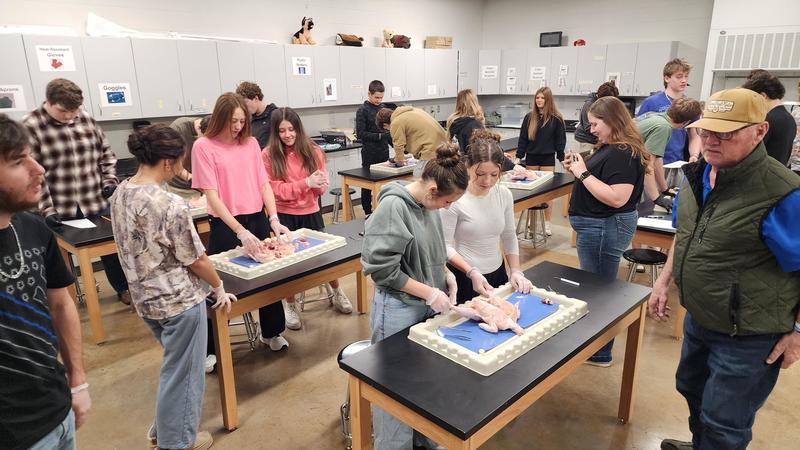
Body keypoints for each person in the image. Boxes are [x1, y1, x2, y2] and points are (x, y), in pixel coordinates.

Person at [648, 88, 800, 450]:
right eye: (705, 131)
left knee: (725, 421)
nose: (712, 141)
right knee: (692, 391)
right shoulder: (697, 176)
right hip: (701, 317)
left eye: (726, 133)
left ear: (759, 132)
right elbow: (684, 235)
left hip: (749, 334)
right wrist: (663, 281)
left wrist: (797, 330)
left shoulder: (782, 193)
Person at [111, 124, 237, 450]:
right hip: (178, 303)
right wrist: (218, 285)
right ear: (168, 162)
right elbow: (195, 259)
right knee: (184, 375)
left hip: (144, 299)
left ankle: (162, 431)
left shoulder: (121, 192)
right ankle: (177, 441)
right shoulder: (169, 204)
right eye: (180, 162)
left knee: (174, 368)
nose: (181, 169)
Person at [361, 143, 468, 449]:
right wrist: (429, 292)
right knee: (393, 385)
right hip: (397, 307)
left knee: (424, 379)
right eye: (447, 201)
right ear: (432, 188)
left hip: (423, 304)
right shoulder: (393, 208)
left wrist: (445, 274)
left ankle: (424, 437)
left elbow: (431, 248)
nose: (447, 207)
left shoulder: (429, 206)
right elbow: (382, 270)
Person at [0, 114, 91, 449]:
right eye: (18, 161)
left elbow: (60, 303)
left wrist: (77, 380)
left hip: (57, 410)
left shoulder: (34, 228)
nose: (39, 169)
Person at [192, 93, 290, 371]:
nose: (237, 126)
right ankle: (210, 347)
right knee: (219, 283)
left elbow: (264, 185)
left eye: (242, 120)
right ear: (220, 117)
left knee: (267, 276)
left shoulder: (249, 144)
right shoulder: (203, 147)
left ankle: (272, 331)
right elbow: (211, 195)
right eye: (233, 120)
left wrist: (273, 218)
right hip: (225, 223)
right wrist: (239, 230)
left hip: (257, 217)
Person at [23, 78, 131, 305]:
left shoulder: (86, 119)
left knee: (112, 247)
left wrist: (109, 181)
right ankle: (65, 301)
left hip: (95, 199)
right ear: (49, 103)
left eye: (75, 110)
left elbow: (107, 155)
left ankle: (123, 289)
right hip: (58, 206)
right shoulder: (31, 125)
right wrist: (46, 208)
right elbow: (32, 173)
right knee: (58, 258)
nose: (71, 116)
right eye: (64, 111)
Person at [563, 96, 648, 367]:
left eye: (596, 124)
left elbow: (616, 198)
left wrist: (582, 174)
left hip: (604, 227)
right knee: (597, 286)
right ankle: (597, 347)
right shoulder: (613, 147)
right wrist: (579, 168)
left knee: (599, 290)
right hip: (597, 227)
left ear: (613, 121)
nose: (592, 129)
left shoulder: (622, 152)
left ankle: (600, 351)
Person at [262, 107, 352, 330]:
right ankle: (289, 304)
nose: (287, 135)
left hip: (311, 212)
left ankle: (337, 291)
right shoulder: (267, 155)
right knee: (288, 266)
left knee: (324, 258)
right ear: (275, 132)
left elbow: (319, 187)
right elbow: (274, 190)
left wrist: (319, 185)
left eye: (291, 129)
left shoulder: (313, 150)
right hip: (284, 216)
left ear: (298, 129)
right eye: (282, 131)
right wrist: (305, 184)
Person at [441, 130, 533, 304]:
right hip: (466, 276)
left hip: (498, 273)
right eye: (480, 174)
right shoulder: (455, 199)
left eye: (494, 175)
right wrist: (471, 272)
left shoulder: (503, 194)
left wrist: (515, 270)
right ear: (468, 167)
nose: (487, 181)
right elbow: (443, 245)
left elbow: (508, 235)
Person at [516, 86, 566, 235]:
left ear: (548, 99)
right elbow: (523, 139)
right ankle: (531, 221)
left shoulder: (556, 118)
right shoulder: (529, 117)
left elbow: (560, 140)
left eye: (542, 98)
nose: (539, 100)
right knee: (532, 191)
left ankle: (547, 223)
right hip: (531, 157)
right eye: (537, 97)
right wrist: (519, 156)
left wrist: (561, 157)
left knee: (547, 193)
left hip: (547, 158)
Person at [636, 97, 703, 210]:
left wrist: (664, 189)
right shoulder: (663, 127)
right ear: (686, 123)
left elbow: (657, 160)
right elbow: (647, 164)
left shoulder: (655, 116)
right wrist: (656, 198)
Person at [637, 58, 701, 164]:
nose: (684, 80)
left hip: (676, 161)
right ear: (667, 78)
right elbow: (637, 132)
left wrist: (694, 155)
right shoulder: (651, 102)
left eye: (686, 76)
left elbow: (694, 135)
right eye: (679, 76)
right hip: (651, 159)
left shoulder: (689, 105)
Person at [446, 88, 517, 171]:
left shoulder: (454, 123)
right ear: (475, 103)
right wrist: (513, 166)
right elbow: (485, 151)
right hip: (474, 168)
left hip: (459, 168)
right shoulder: (474, 125)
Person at [375, 105, 448, 177]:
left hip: (431, 150)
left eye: (387, 129)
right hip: (444, 146)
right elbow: (415, 134)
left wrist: (399, 159)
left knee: (418, 177)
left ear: (385, 125)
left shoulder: (395, 122)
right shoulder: (413, 111)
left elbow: (398, 144)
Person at [742, 70, 795, 166]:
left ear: (763, 96)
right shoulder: (790, 119)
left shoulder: (768, 120)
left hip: (760, 174)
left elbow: (749, 153)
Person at [355, 80, 393, 215]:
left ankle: (383, 210)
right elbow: (360, 134)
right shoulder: (362, 110)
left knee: (385, 185)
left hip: (384, 152)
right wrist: (380, 136)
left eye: (381, 97)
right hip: (369, 153)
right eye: (376, 97)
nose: (379, 100)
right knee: (368, 185)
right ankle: (367, 212)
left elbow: (389, 132)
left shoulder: (384, 108)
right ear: (369, 94)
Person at [166, 115, 210, 199]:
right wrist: (190, 178)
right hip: (180, 189)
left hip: (202, 188)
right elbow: (170, 162)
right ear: (199, 128)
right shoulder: (178, 128)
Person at [574, 81, 619, 156]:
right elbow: (588, 127)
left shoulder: (601, 104)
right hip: (586, 140)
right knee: (587, 163)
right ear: (602, 98)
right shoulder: (589, 105)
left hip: (595, 140)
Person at [236, 81, 279, 149]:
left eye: (245, 102)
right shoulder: (249, 120)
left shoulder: (275, 115)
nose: (243, 107)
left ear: (256, 98)